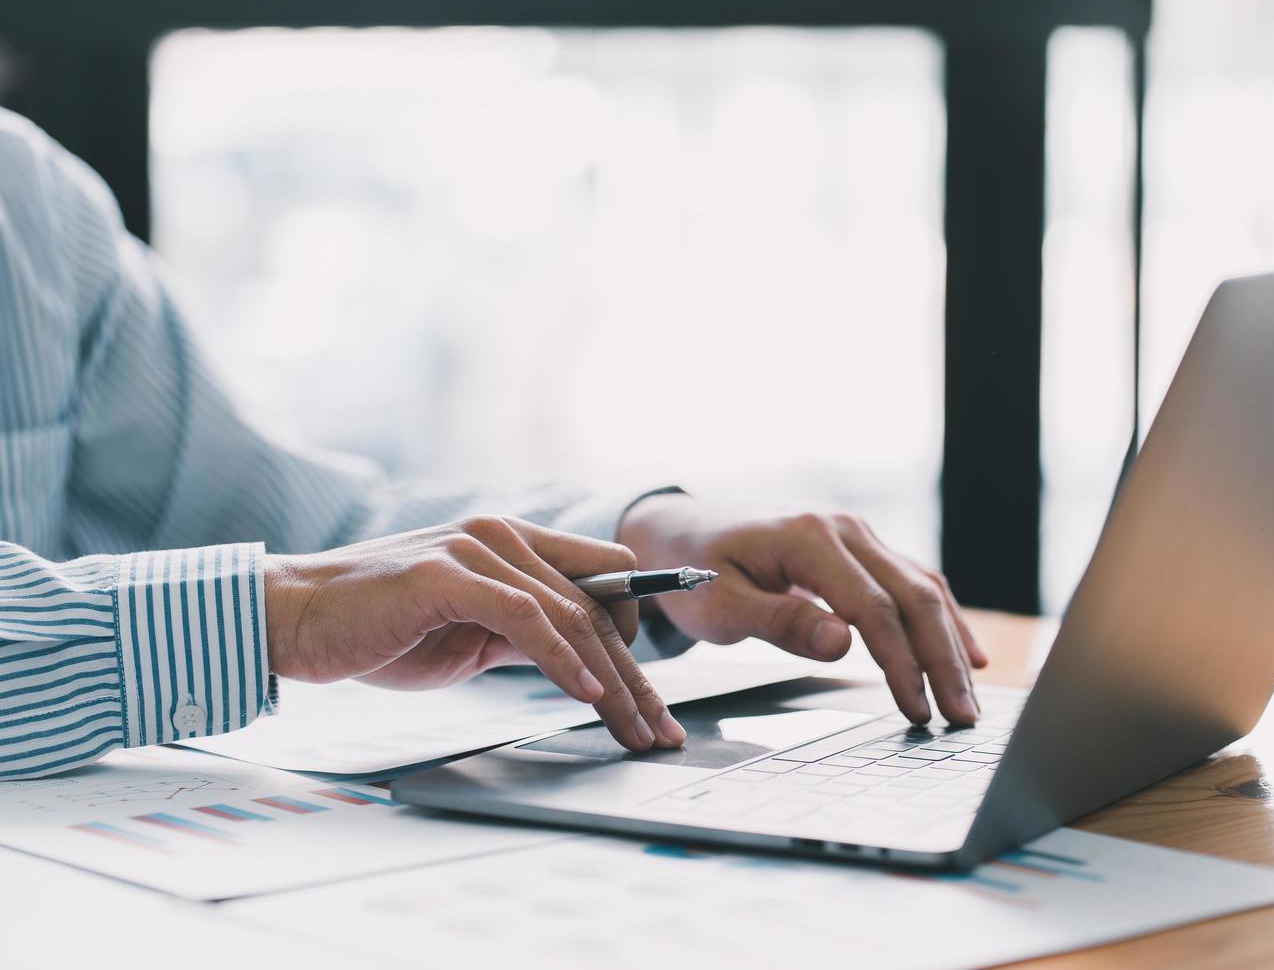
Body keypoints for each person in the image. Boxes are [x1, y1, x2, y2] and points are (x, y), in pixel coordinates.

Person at [0, 109, 986, 780]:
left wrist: (640, 541)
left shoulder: (28, 204)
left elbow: (311, 535)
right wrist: (278, 617)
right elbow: (294, 589)